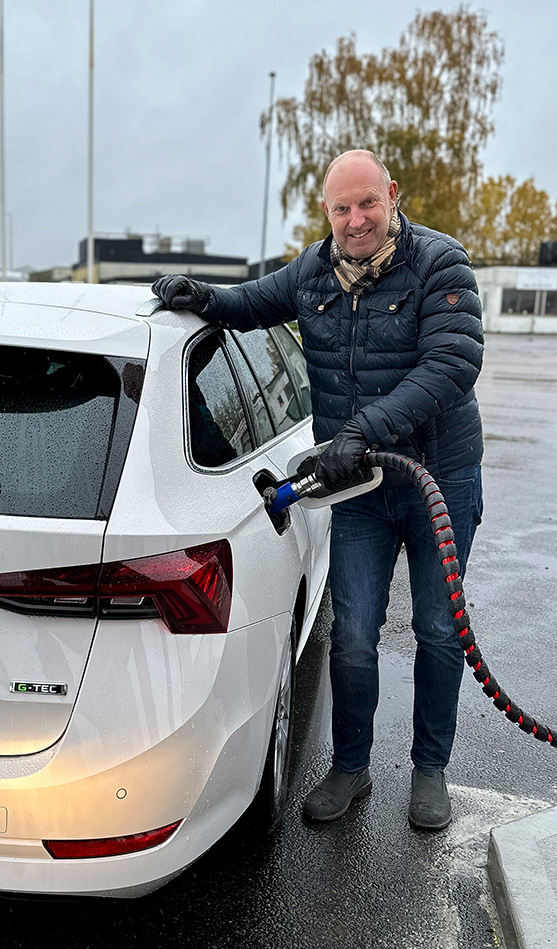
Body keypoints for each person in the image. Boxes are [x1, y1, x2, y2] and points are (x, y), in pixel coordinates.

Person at [152, 149, 483, 830]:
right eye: (342, 208)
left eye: (367, 203)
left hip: (437, 479)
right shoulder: (313, 270)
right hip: (358, 484)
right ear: (327, 212)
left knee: (438, 630)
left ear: (392, 195)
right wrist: (203, 298)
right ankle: (352, 768)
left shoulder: (441, 264)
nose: (356, 220)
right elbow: (251, 304)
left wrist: (364, 428)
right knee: (355, 635)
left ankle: (430, 770)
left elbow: (453, 362)